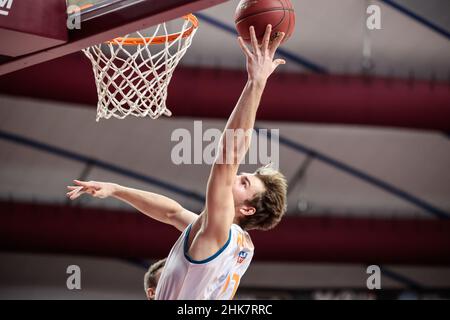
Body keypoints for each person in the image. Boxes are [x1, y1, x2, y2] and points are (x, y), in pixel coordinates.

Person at [66, 24, 287, 300]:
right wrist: (117, 189)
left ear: (247, 209)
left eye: (244, 182)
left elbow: (228, 156)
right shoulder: (238, 244)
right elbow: (171, 213)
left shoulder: (220, 230)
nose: (238, 174)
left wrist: (256, 82)